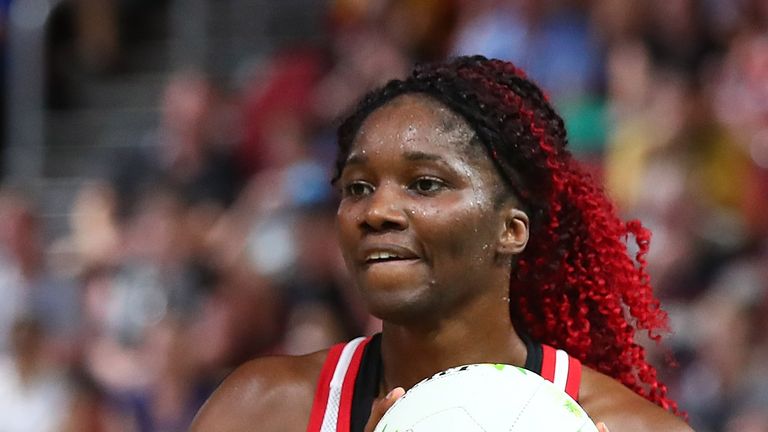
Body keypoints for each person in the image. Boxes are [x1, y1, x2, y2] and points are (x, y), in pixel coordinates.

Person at [190, 56, 693, 432]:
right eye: (357, 187)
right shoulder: (258, 410)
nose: (376, 212)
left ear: (511, 229)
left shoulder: (631, 428)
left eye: (425, 184)